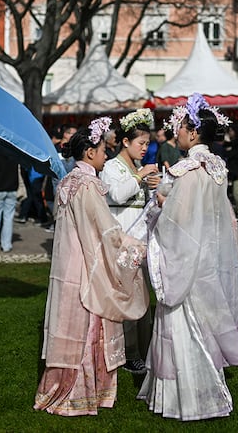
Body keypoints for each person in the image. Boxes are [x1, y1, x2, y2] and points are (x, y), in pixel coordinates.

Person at [136, 93, 238, 421]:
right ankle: (204, 383)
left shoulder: (187, 169)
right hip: (209, 252)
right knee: (206, 317)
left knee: (182, 323)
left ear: (195, 132)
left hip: (187, 256)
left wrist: (159, 204)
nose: (177, 132)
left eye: (182, 127)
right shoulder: (216, 166)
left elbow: (179, 220)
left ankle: (182, 395)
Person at [34, 117, 149, 416]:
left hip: (68, 265)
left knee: (73, 322)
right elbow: (105, 231)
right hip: (86, 264)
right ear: (89, 153)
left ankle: (69, 384)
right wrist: (133, 248)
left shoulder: (70, 180)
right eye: (102, 150)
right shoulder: (88, 185)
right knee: (90, 325)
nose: (106, 155)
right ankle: (82, 391)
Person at [99, 108, 160, 376]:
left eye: (148, 144)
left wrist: (155, 187)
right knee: (125, 301)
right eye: (141, 143)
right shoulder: (111, 168)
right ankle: (127, 352)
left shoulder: (136, 168)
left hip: (141, 242)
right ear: (125, 142)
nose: (145, 148)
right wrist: (140, 176)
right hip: (121, 244)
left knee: (142, 300)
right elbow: (118, 194)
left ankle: (142, 351)